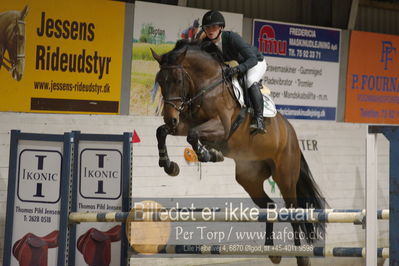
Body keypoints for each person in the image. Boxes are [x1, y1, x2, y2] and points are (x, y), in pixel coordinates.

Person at [201, 10, 267, 134]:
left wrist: (237, 69)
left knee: (250, 81)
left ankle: (259, 120)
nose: (210, 30)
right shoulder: (207, 45)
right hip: (235, 66)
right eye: (207, 27)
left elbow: (252, 59)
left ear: (221, 27)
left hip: (255, 62)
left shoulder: (232, 38)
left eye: (214, 27)